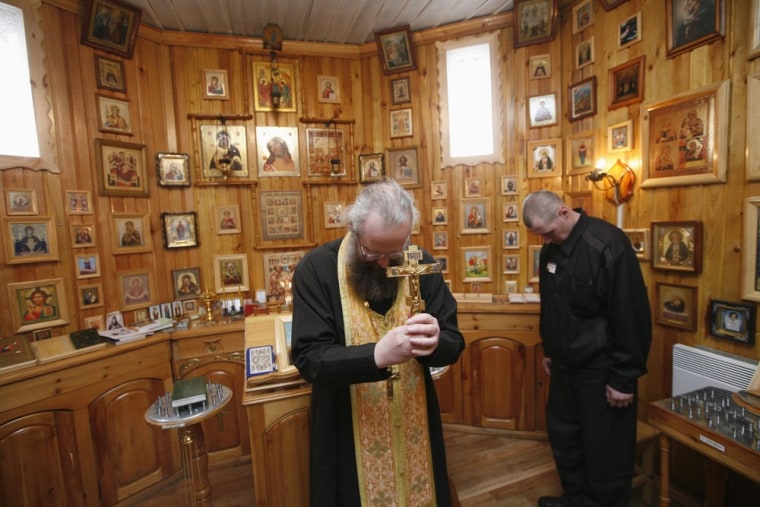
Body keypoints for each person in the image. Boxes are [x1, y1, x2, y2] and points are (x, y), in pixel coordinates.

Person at [291, 178, 465, 506]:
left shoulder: (419, 261)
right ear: (354, 230)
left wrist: (434, 341)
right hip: (347, 425)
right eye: (372, 252)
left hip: (414, 423)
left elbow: (455, 341)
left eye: (393, 253)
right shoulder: (317, 270)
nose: (384, 263)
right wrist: (376, 355)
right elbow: (310, 358)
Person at [521, 190, 652, 507]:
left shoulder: (607, 244)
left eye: (548, 232)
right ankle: (575, 499)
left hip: (602, 372)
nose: (546, 241)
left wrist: (623, 379)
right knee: (566, 439)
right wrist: (550, 349)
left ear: (563, 212)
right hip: (565, 368)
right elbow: (551, 307)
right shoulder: (552, 250)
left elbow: (629, 314)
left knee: (605, 451)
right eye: (541, 236)